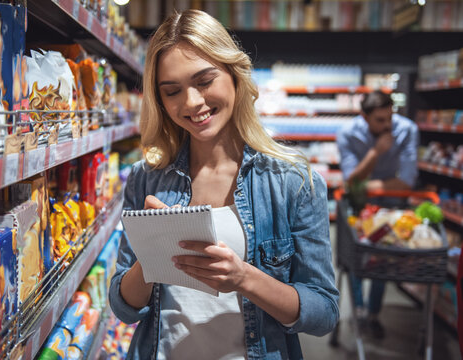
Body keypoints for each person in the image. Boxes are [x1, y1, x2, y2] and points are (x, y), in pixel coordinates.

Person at [109, 9, 339, 360]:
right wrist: (153, 254)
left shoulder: (293, 183)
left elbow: (323, 312)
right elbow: (125, 307)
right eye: (172, 91)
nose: (192, 102)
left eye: (204, 81)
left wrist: (244, 278)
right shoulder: (147, 179)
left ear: (234, 74)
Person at [336, 90, 419, 339]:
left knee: (384, 256)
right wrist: (376, 152)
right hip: (360, 204)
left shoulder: (407, 130)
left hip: (391, 203)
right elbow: (351, 181)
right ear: (365, 117)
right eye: (380, 120)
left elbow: (406, 181)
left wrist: (365, 183)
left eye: (390, 118)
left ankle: (373, 314)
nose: (387, 125)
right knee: (356, 255)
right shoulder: (347, 133)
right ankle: (359, 310)